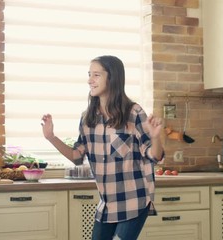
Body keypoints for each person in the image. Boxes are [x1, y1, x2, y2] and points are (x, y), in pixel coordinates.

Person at [41, 55, 164, 240]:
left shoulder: (133, 112)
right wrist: (51, 137)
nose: (90, 80)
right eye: (90, 74)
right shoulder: (88, 118)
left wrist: (156, 137)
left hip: (134, 202)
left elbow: (154, 155)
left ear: (112, 77)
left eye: (96, 75)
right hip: (107, 205)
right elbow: (76, 156)